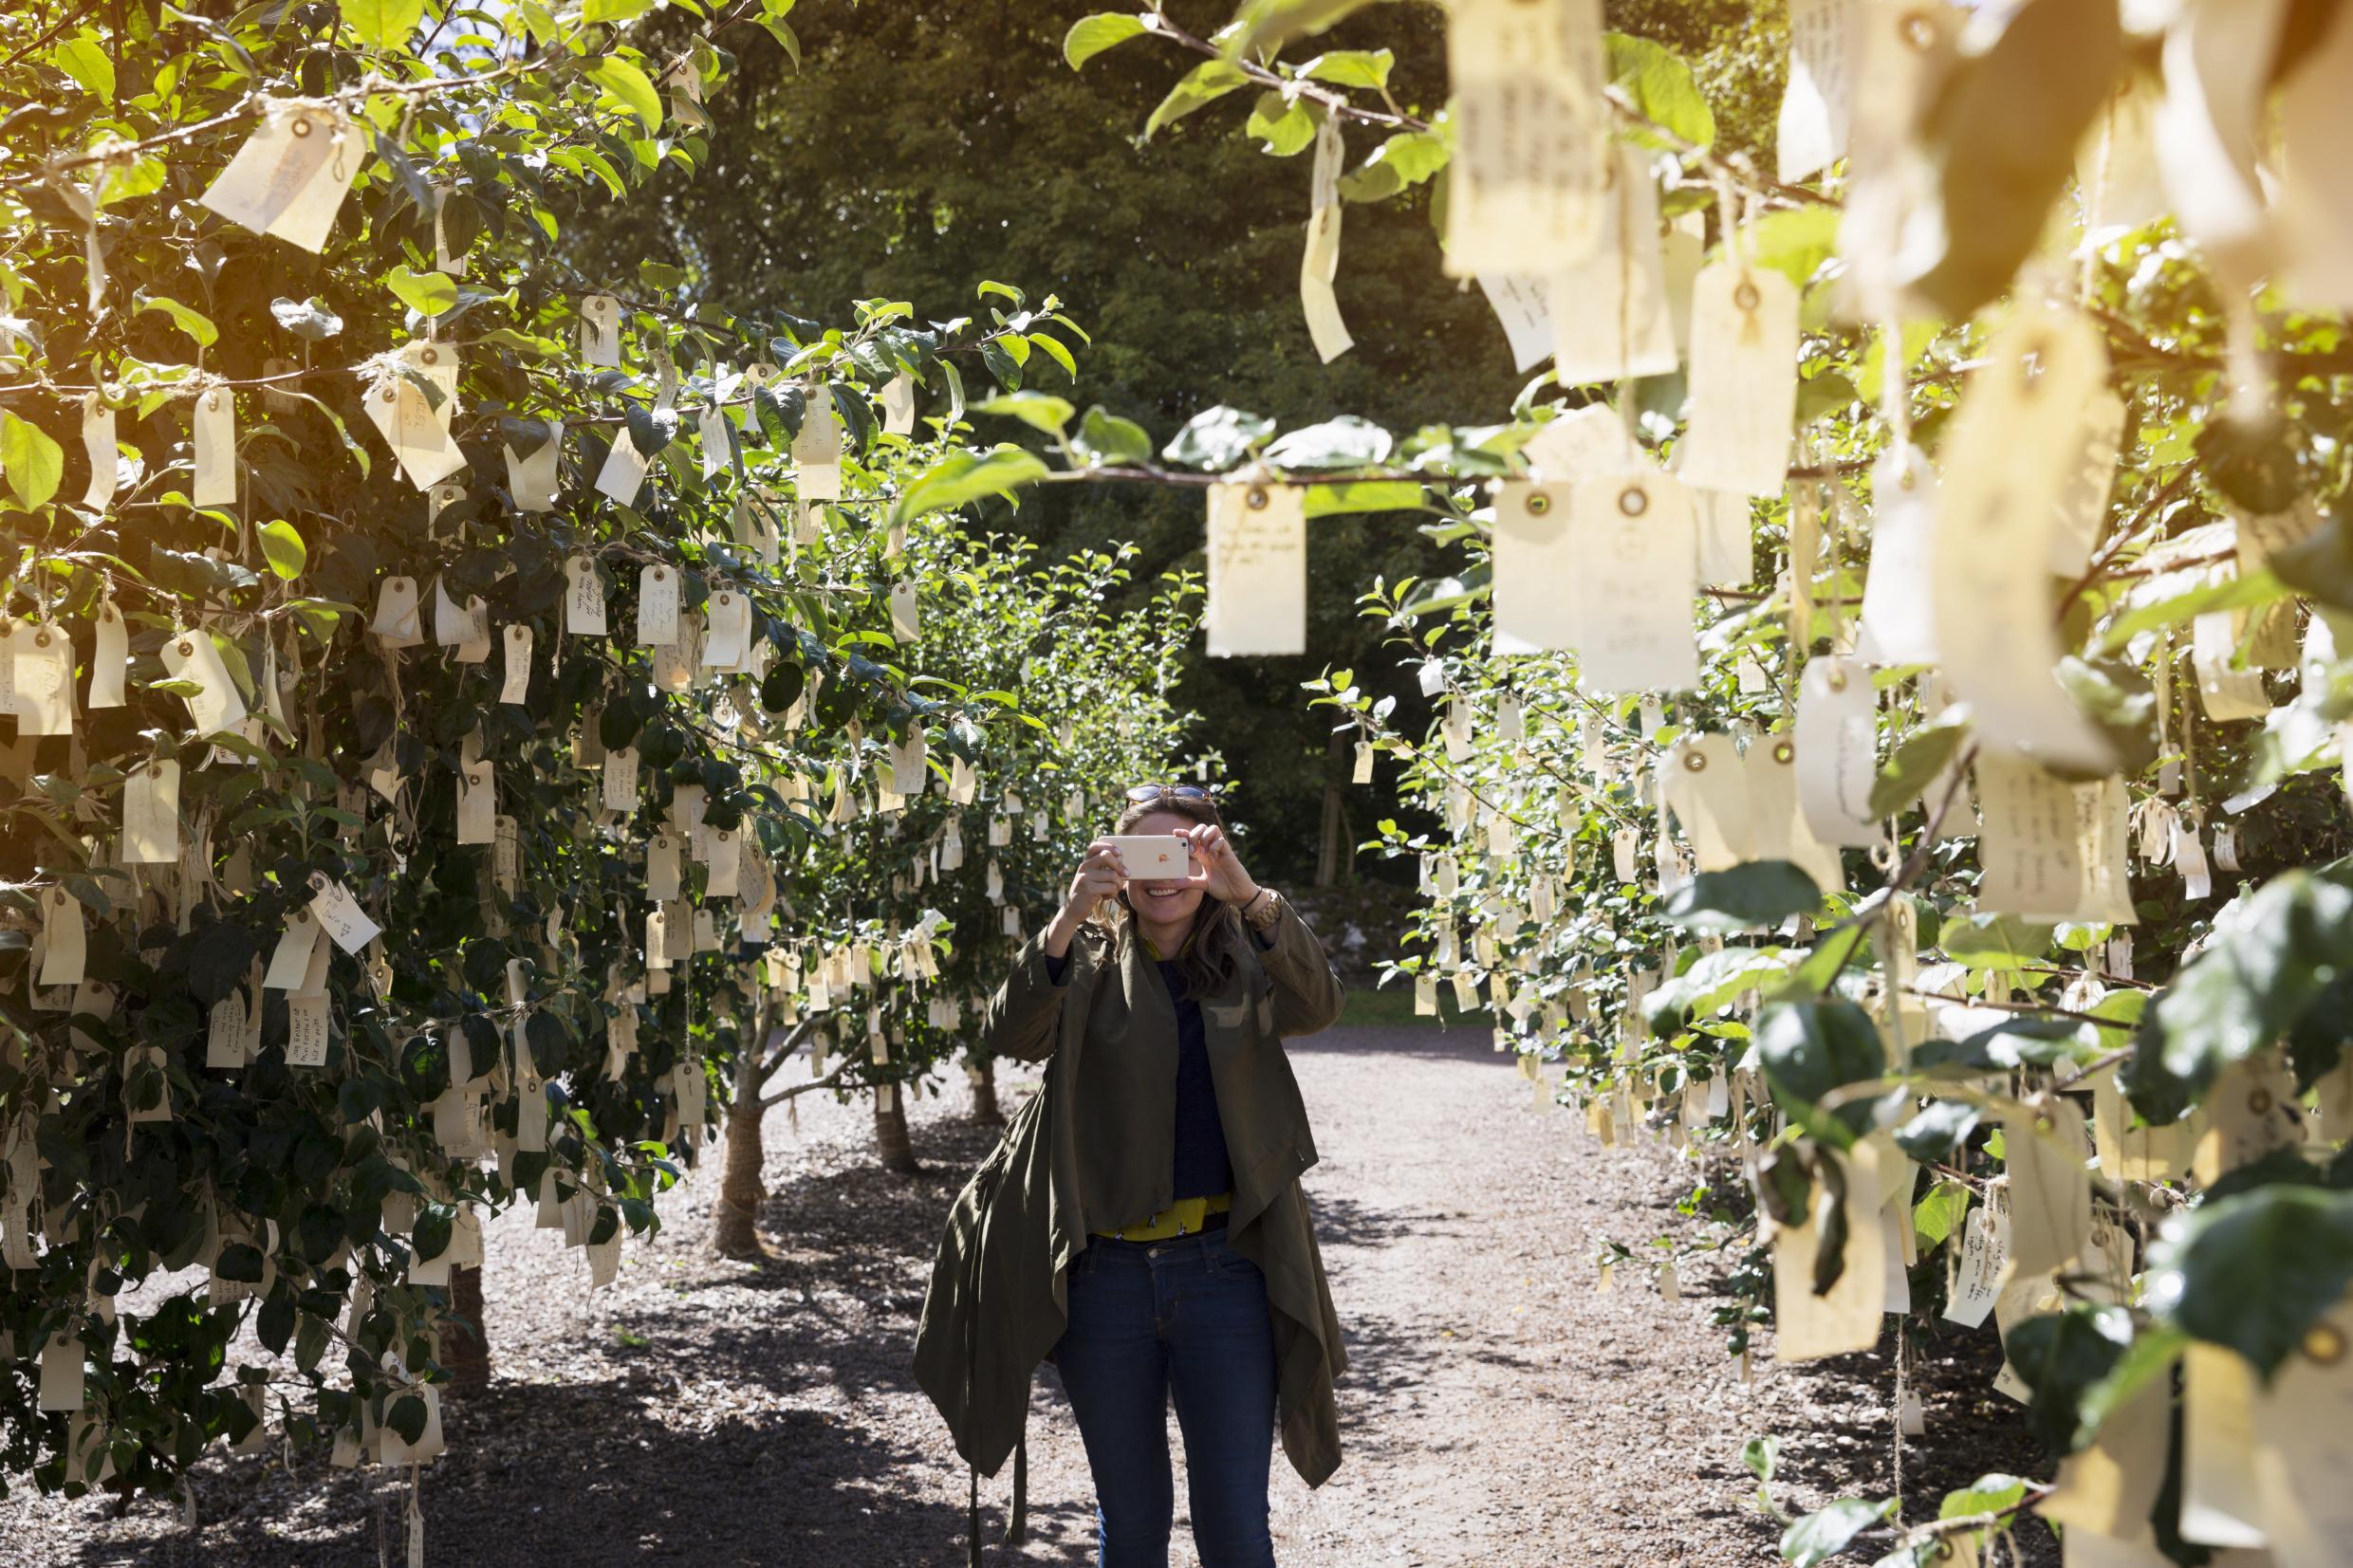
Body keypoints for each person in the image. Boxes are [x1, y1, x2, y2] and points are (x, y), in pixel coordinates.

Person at [914, 784, 1349, 1568]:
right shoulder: (1084, 963)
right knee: (1134, 1522)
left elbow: (1319, 1002)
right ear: (1116, 861)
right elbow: (1012, 1033)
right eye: (1145, 854)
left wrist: (1246, 892)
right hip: (1104, 1279)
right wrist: (1070, 915)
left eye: (1185, 854)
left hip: (1226, 1271)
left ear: (1209, 860)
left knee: (1237, 1530)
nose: (1164, 875)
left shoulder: (1245, 960)